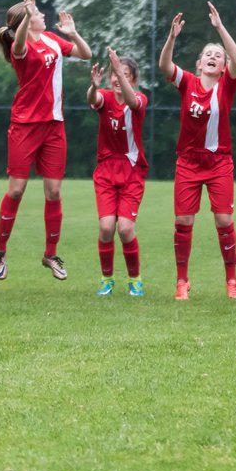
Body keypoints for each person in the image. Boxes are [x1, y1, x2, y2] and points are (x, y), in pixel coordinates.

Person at [0, 0, 91, 281]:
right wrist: (26, 11)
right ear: (26, 20)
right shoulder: (18, 47)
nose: (43, 15)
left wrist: (73, 33)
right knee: (16, 190)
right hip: (25, 126)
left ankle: (50, 254)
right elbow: (21, 41)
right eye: (37, 13)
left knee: (54, 192)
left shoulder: (51, 39)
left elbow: (85, 54)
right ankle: (0, 250)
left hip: (54, 127)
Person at [158, 3, 236, 300]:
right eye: (208, 54)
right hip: (188, 163)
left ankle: (231, 281)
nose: (213, 57)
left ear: (223, 67)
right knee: (183, 221)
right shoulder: (188, 83)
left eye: (217, 56)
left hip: (219, 162)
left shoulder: (226, 87)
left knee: (223, 221)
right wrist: (171, 38)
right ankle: (182, 281)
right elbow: (164, 67)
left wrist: (220, 27)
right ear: (198, 63)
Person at [87, 48, 148, 297]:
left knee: (124, 229)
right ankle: (107, 279)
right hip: (106, 171)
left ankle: (135, 280)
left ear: (132, 79)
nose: (116, 79)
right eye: (114, 73)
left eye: (123, 74)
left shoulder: (140, 100)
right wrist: (93, 85)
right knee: (106, 228)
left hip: (132, 171)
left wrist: (117, 66)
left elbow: (132, 102)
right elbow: (93, 99)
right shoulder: (104, 97)